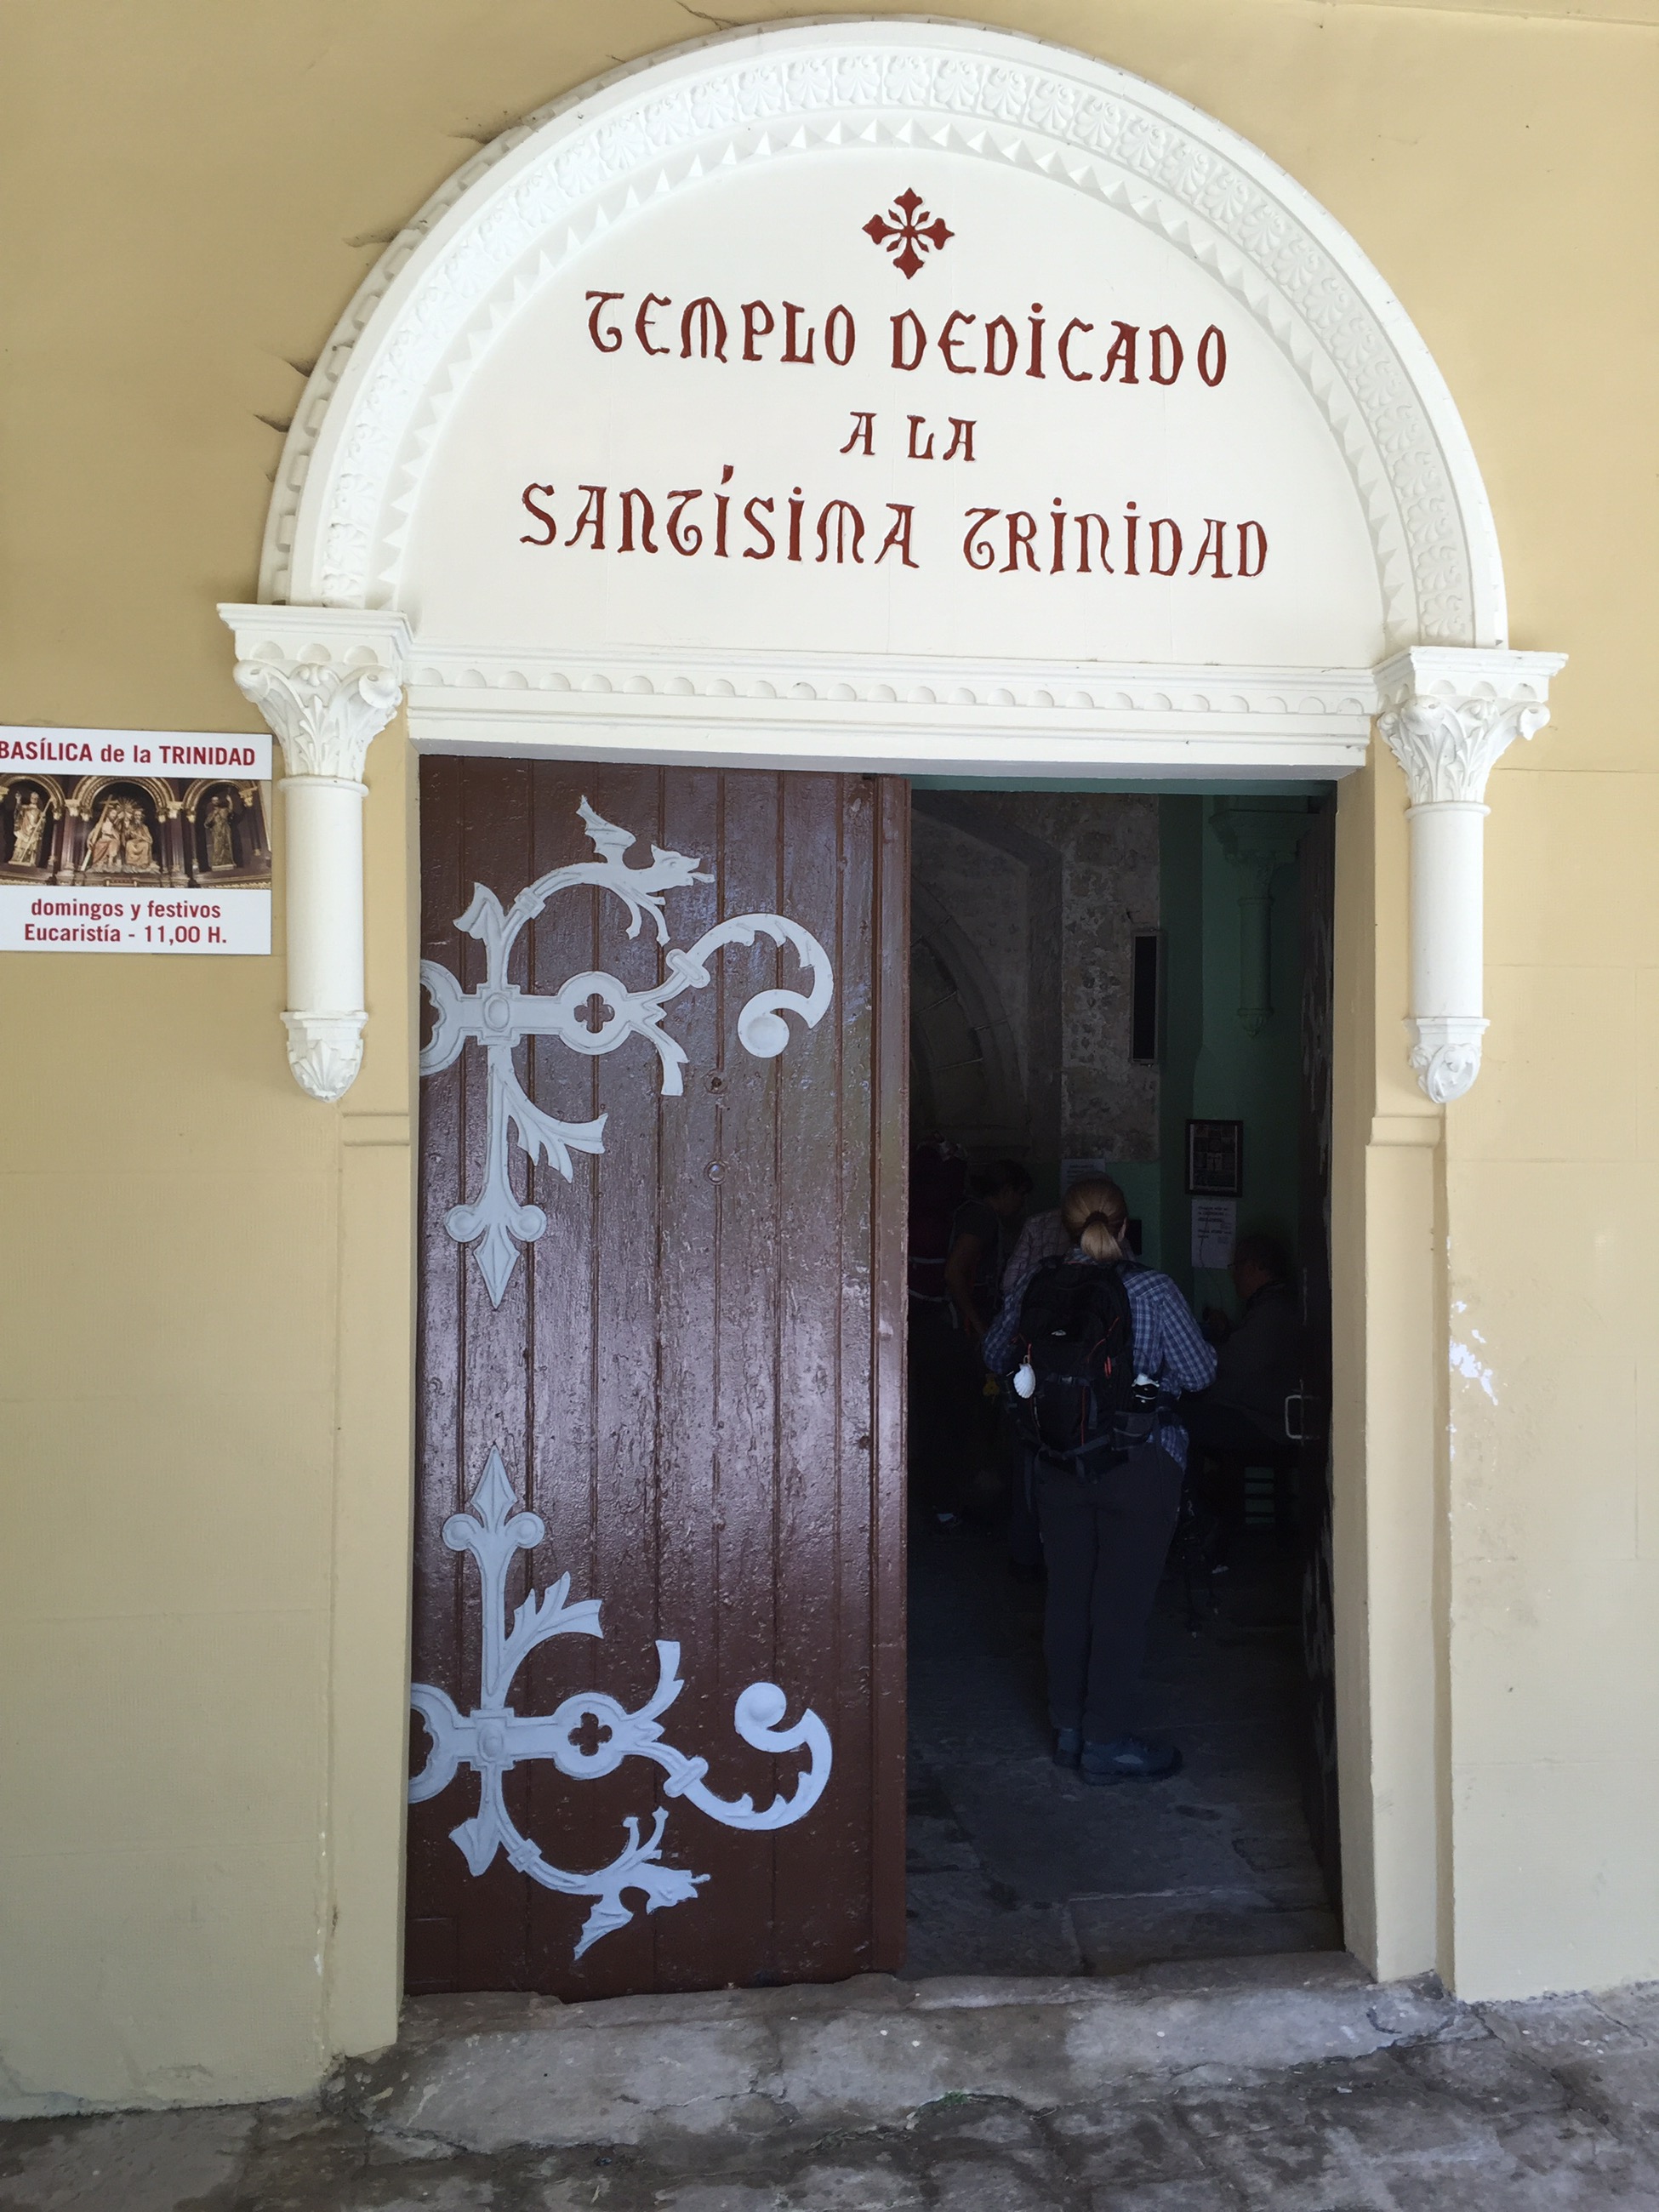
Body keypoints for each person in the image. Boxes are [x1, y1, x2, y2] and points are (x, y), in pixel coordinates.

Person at [983, 1177, 1216, 1782]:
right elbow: (1198, 1373)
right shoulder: (1153, 1289)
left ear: (1063, 1227)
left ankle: (1067, 1729)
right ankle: (1105, 1741)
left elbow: (994, 1355)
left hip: (1059, 1464)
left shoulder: (1037, 1285)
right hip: (1140, 1464)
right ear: (1125, 1225)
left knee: (1066, 1597)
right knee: (1121, 1607)